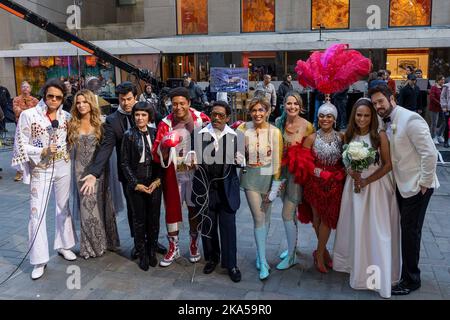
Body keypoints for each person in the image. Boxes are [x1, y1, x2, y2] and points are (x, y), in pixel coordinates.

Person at [79, 82, 167, 260]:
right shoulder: (112, 120)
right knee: (135, 211)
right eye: (122, 100)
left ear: (135, 97)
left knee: (153, 210)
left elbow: (164, 127)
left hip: (151, 172)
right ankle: (138, 243)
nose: (126, 103)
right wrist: (94, 172)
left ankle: (152, 241)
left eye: (129, 99)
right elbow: (106, 147)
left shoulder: (148, 111)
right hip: (128, 173)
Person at [369, 84, 439, 295]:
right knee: (406, 229)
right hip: (401, 184)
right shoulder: (383, 120)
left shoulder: (411, 120)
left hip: (417, 186)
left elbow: (430, 154)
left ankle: (411, 280)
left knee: (410, 232)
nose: (378, 106)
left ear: (392, 98)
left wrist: (424, 184)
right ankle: (405, 272)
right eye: (374, 103)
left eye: (381, 101)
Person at [333, 98, 401, 298]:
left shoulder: (379, 136)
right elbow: (345, 160)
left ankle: (376, 277)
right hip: (354, 189)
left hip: (376, 188)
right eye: (359, 115)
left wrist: (367, 180)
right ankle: (357, 268)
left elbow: (388, 165)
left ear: (372, 117)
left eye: (366, 115)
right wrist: (351, 173)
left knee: (376, 231)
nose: (362, 119)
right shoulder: (348, 134)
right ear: (354, 115)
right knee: (357, 228)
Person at [11, 78, 77, 280]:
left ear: (62, 98)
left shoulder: (66, 116)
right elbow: (20, 145)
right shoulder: (28, 116)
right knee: (36, 213)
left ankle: (64, 245)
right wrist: (42, 150)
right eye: (50, 96)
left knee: (63, 207)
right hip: (41, 168)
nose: (54, 100)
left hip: (63, 166)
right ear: (44, 95)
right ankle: (39, 259)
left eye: (58, 97)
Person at [153, 87, 210, 267]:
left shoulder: (202, 119)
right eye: (174, 104)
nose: (178, 107)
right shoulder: (165, 123)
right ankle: (174, 246)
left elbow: (213, 143)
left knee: (194, 209)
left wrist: (200, 158)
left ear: (189, 103)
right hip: (174, 173)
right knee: (172, 210)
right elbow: (156, 151)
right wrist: (164, 144)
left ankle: (193, 243)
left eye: (182, 103)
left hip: (194, 174)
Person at [285, 102, 345, 274]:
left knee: (327, 219)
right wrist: (319, 172)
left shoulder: (341, 137)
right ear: (317, 118)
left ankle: (319, 254)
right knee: (317, 219)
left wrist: (340, 172)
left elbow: (345, 160)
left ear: (334, 119)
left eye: (329, 116)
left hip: (334, 184)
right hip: (315, 185)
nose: (325, 119)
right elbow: (304, 164)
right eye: (322, 116)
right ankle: (323, 252)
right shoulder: (311, 138)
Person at [189, 100, 243, 282]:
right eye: (214, 114)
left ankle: (231, 264)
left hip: (227, 190)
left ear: (228, 117)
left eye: (221, 115)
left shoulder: (236, 136)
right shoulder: (198, 134)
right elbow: (190, 155)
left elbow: (243, 160)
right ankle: (212, 258)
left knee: (229, 228)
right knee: (207, 227)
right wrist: (190, 160)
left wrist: (240, 159)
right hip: (205, 189)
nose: (217, 118)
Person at [68, 89, 120, 259]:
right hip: (79, 172)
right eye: (78, 102)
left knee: (102, 203)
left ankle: (109, 242)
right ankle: (92, 246)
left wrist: (96, 172)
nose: (81, 105)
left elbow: (105, 150)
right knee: (87, 207)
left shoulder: (101, 124)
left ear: (91, 103)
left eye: (85, 102)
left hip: (99, 172)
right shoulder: (71, 124)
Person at [238, 96, 283, 280]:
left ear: (267, 111)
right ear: (250, 112)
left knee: (266, 217)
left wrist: (275, 187)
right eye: (254, 110)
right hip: (251, 176)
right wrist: (239, 157)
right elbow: (236, 152)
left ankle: (259, 254)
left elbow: (277, 161)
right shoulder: (242, 129)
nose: (257, 114)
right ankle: (264, 262)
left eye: (261, 110)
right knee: (259, 218)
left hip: (268, 176)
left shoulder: (275, 132)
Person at [275, 92, 314, 270]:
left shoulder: (307, 126)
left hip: (297, 176)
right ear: (284, 104)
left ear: (300, 106)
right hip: (281, 173)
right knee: (291, 215)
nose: (292, 107)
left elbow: (312, 153)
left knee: (287, 214)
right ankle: (293, 247)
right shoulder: (278, 122)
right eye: (289, 103)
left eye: (296, 104)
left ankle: (291, 257)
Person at [121, 102, 162, 271]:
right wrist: (135, 183)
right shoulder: (128, 135)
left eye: (143, 115)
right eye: (137, 114)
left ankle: (152, 251)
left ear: (149, 117)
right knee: (139, 220)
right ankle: (142, 253)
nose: (140, 118)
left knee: (154, 219)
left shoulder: (155, 133)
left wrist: (158, 180)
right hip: (136, 182)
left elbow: (161, 159)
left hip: (153, 181)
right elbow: (124, 163)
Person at [12, 81, 39, 182]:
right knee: (19, 147)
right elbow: (16, 111)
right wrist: (29, 112)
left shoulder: (35, 100)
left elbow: (37, 112)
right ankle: (19, 171)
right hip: (20, 127)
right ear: (20, 88)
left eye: (27, 87)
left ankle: (32, 168)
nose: (25, 89)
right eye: (23, 87)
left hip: (33, 127)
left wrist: (25, 112)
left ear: (30, 89)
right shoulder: (16, 99)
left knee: (33, 146)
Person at [429, 75, 445, 145]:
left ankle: (439, 134)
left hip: (443, 108)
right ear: (438, 80)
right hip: (434, 108)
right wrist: (440, 103)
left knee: (445, 121)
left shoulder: (444, 87)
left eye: (443, 80)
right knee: (434, 123)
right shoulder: (434, 87)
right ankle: (433, 137)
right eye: (442, 80)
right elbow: (432, 98)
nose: (443, 81)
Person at [440, 78, 450, 148]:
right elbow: (442, 97)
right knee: (447, 126)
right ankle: (446, 141)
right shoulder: (447, 86)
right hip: (448, 109)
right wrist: (444, 106)